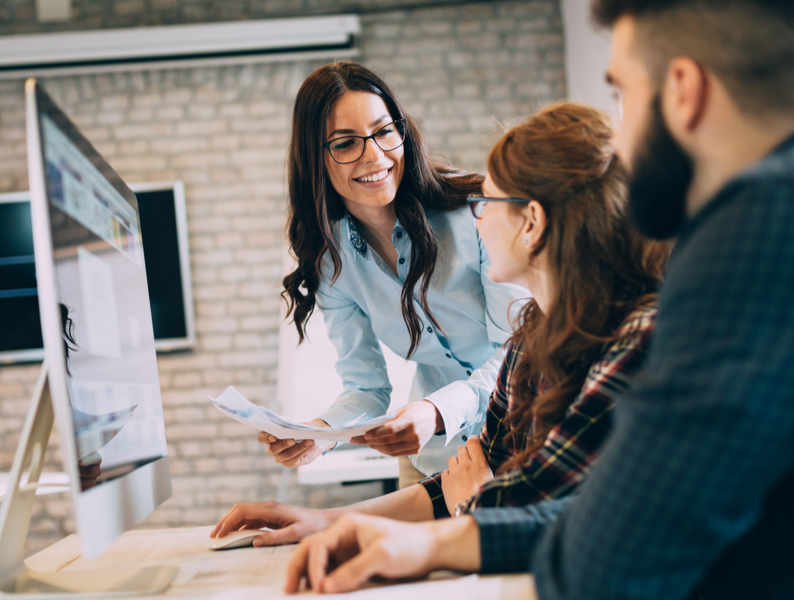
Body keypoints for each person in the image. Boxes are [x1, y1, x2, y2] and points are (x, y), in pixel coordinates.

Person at [285, 1, 794, 598]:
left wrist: (471, 512)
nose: (616, 137)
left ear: (684, 90)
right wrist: (440, 536)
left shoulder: (759, 232)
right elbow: (634, 504)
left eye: (622, 94)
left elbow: (611, 550)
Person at [216, 103, 666, 546]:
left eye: (489, 200)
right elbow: (485, 483)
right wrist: (323, 507)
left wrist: (467, 504)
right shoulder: (529, 342)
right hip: (443, 465)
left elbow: (536, 517)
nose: (478, 213)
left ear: (531, 222)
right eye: (347, 143)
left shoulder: (632, 347)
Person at [270, 60, 522, 485]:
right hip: (434, 461)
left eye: (384, 131)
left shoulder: (476, 211)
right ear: (316, 159)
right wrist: (321, 433)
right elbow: (367, 388)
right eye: (346, 143)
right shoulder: (332, 262)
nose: (375, 156)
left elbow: (518, 354)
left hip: (523, 440)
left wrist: (437, 411)